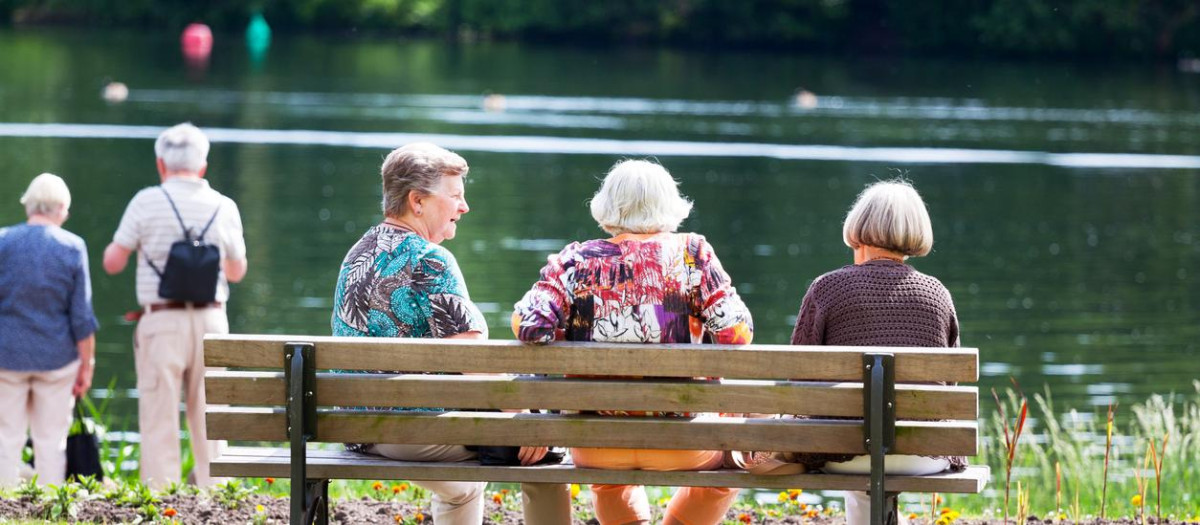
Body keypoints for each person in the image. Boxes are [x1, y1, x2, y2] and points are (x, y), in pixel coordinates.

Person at [331, 142, 569, 525]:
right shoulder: (431, 259)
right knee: (545, 449)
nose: (464, 206)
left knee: (463, 487)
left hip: (357, 426)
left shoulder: (357, 252)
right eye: (455, 196)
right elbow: (472, 360)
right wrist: (524, 418)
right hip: (412, 430)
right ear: (417, 201)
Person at [513, 159, 754, 525]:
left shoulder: (576, 259)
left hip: (596, 444)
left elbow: (531, 327)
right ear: (670, 205)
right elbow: (736, 333)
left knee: (609, 483)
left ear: (606, 205)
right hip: (685, 445)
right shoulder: (693, 254)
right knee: (730, 467)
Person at [789, 179, 964, 525]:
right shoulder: (937, 294)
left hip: (843, 452)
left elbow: (799, 379)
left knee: (854, 444)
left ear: (859, 231)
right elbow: (951, 386)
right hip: (924, 453)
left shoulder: (827, 287)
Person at [102, 123, 248, 489]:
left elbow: (112, 262)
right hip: (212, 321)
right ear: (203, 166)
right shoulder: (223, 206)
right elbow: (236, 271)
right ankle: (214, 494)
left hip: (161, 321)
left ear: (160, 164)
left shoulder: (145, 201)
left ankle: (160, 494)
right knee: (210, 416)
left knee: (158, 413)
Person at [0, 173, 99, 486]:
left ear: (29, 206)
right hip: (57, 360)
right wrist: (87, 364)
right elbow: (81, 316)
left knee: (6, 438)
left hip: (7, 356)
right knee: (50, 441)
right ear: (60, 209)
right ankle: (50, 504)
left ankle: (4, 503)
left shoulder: (3, 242)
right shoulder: (72, 247)